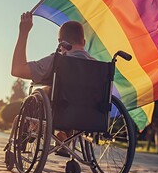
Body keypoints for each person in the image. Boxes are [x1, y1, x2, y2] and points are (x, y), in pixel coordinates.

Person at [11, 11, 96, 157]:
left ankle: (33, 127)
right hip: (87, 119)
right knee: (62, 95)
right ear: (83, 42)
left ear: (60, 42)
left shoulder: (57, 61)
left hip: (58, 115)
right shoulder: (98, 68)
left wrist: (23, 32)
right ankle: (64, 135)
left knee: (43, 93)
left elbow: (17, 70)